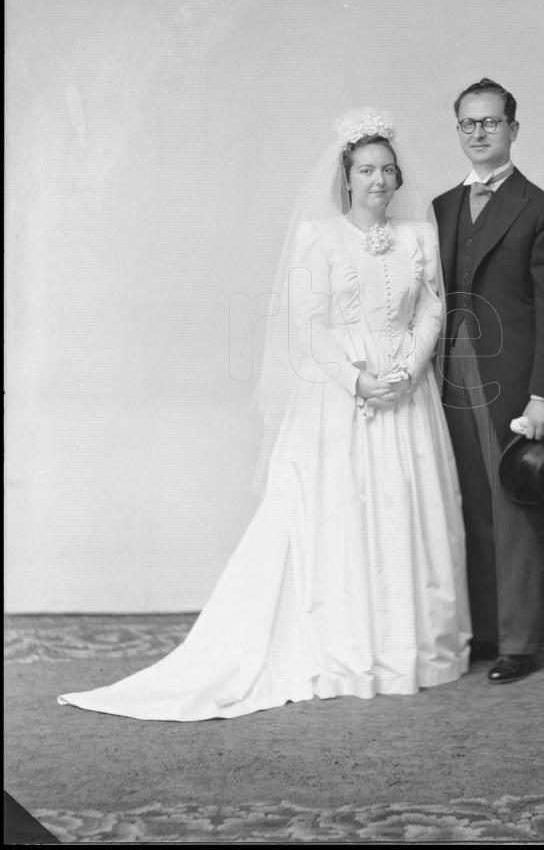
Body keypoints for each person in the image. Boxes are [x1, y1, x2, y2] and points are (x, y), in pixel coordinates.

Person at [58, 108, 471, 721]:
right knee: (342, 511)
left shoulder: (418, 236)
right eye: (366, 170)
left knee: (407, 509)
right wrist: (359, 381)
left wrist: (409, 369)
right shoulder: (318, 237)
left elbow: (433, 305)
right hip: (340, 397)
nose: (379, 180)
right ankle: (349, 648)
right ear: (347, 177)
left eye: (388, 169)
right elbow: (307, 326)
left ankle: (410, 650)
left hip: (406, 390)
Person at [431, 78, 544, 684]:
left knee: (516, 501)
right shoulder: (440, 207)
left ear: (513, 129)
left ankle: (519, 642)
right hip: (447, 375)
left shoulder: (540, 208)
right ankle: (485, 631)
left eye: (491, 122)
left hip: (513, 382)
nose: (479, 133)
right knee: (466, 500)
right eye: (468, 123)